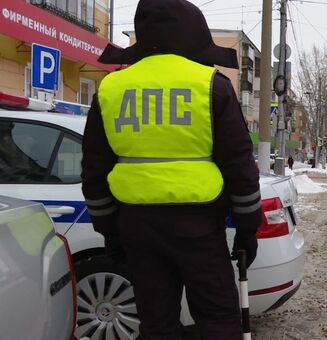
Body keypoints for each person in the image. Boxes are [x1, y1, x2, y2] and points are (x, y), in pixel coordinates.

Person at [80, 1, 261, 338]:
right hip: (199, 228)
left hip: (137, 226)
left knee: (156, 323)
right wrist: (248, 229)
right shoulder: (212, 85)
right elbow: (240, 166)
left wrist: (109, 230)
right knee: (218, 318)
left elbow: (94, 169)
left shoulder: (111, 88)